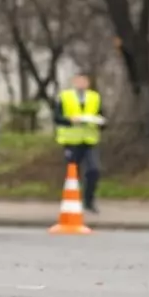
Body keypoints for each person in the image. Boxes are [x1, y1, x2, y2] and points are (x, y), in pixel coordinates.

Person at [54, 73, 105, 214]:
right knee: (72, 173)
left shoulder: (94, 97)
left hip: (90, 140)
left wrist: (100, 122)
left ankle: (89, 201)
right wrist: (71, 120)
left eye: (84, 81)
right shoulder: (65, 97)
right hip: (71, 140)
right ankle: (71, 201)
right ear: (74, 82)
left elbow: (101, 115)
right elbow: (57, 117)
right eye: (79, 81)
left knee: (94, 169)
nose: (81, 84)